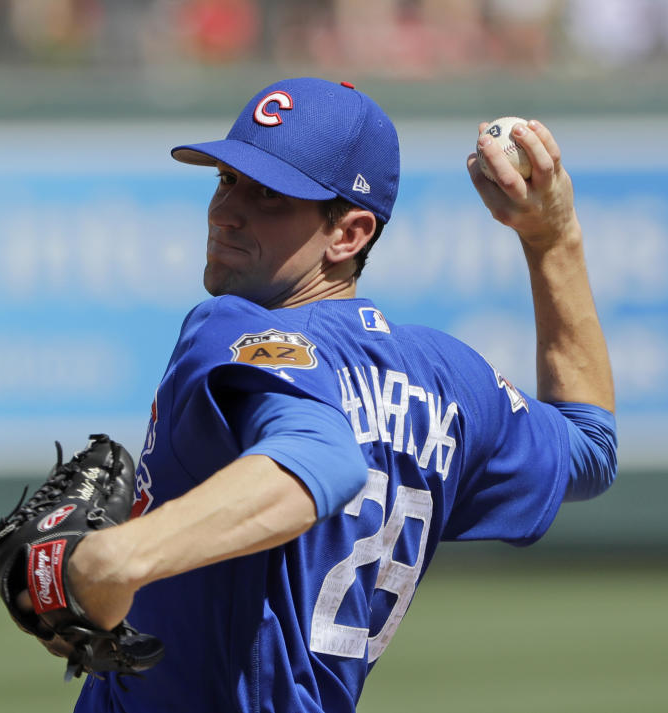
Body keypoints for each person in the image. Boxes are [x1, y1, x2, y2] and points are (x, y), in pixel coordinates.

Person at [30, 77, 618, 712]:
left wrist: (117, 558)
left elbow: (324, 459)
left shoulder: (231, 326)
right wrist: (553, 239)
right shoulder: (448, 379)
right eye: (227, 179)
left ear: (349, 234)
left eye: (268, 196)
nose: (226, 211)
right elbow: (590, 447)